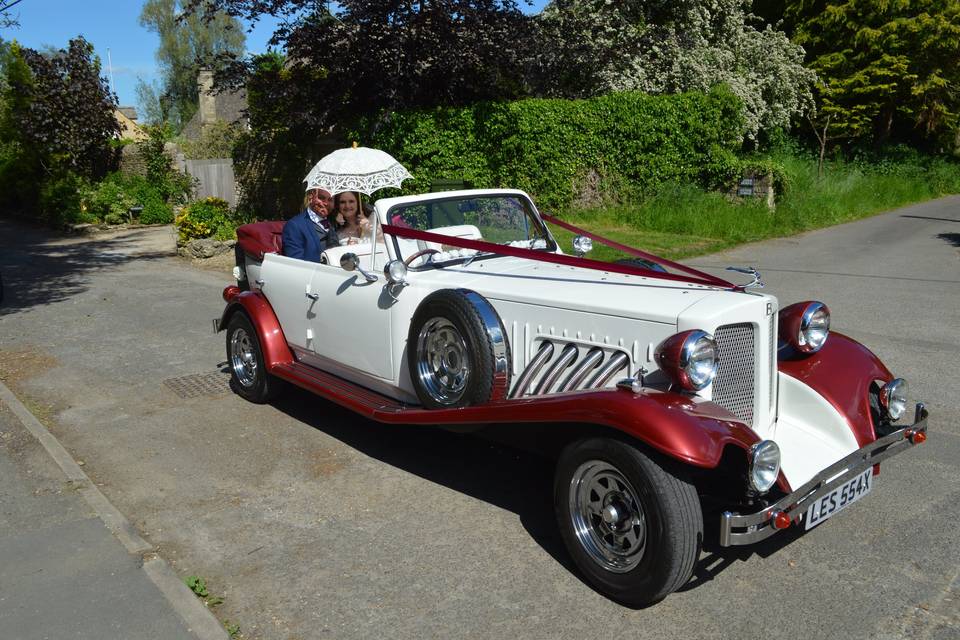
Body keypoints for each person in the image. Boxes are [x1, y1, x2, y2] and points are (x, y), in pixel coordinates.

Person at [282, 188, 340, 262]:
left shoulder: (330, 223)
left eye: (330, 200)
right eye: (321, 198)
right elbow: (296, 263)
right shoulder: (294, 226)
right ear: (311, 197)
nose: (326, 203)